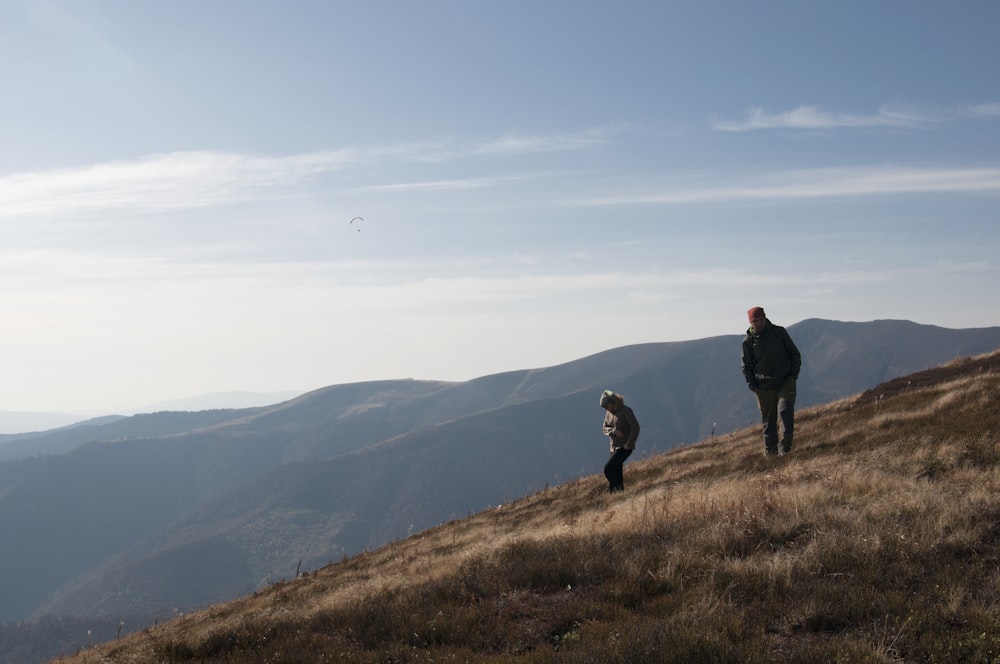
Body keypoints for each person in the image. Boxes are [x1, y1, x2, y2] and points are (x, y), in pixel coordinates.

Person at [741, 307, 802, 456]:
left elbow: (794, 353)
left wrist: (792, 375)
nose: (759, 323)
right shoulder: (748, 342)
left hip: (785, 381)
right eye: (755, 321)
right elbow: (746, 366)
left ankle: (785, 448)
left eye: (761, 320)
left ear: (765, 318)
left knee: (785, 411)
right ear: (751, 323)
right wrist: (754, 386)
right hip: (763, 387)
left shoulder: (779, 332)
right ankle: (771, 456)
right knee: (769, 421)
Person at [599, 390, 640, 492]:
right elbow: (604, 428)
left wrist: (629, 443)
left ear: (612, 402)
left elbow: (635, 427)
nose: (605, 408)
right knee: (616, 469)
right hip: (613, 447)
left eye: (606, 405)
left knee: (608, 469)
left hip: (625, 446)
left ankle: (614, 488)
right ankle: (619, 492)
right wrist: (613, 431)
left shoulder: (626, 411)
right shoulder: (609, 413)